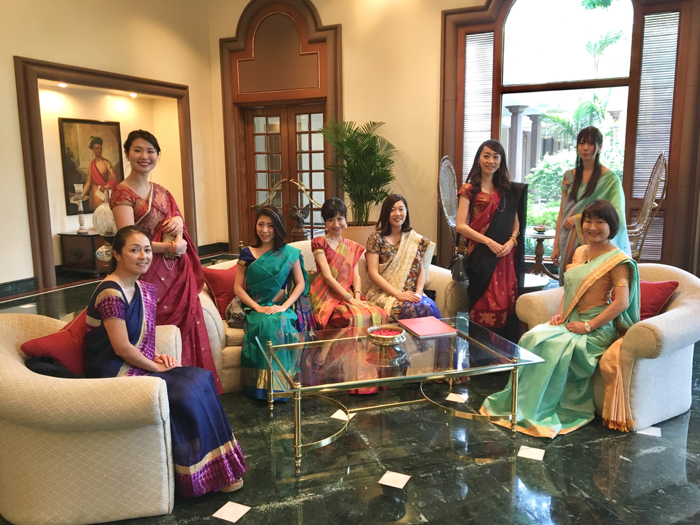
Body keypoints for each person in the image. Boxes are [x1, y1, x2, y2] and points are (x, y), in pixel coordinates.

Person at [84, 226, 247, 496]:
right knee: (184, 392)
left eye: (147, 250)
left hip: (131, 361)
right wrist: (155, 367)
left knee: (201, 379)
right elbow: (122, 347)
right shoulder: (111, 292)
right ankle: (196, 475)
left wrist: (156, 355)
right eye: (134, 250)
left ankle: (219, 466)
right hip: (112, 369)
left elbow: (141, 337)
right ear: (117, 254)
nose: (143, 256)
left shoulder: (138, 287)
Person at [480, 200, 640, 438]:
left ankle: (540, 409)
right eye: (588, 221)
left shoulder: (618, 261)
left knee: (554, 346)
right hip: (571, 320)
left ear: (612, 226)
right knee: (531, 337)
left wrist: (588, 326)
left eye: (600, 222)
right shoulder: (580, 251)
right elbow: (570, 288)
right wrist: (561, 314)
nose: (592, 227)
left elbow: (622, 303)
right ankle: (521, 404)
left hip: (597, 328)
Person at [110, 130, 221, 393]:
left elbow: (177, 223)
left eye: (150, 151)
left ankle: (192, 388)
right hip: (144, 274)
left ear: (157, 155)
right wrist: (170, 247)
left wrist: (179, 221)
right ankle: (160, 390)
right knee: (154, 329)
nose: (144, 156)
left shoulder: (162, 192)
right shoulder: (122, 194)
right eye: (138, 150)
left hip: (175, 275)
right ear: (127, 154)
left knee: (187, 329)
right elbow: (129, 242)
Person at [234, 205, 315, 399]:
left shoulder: (289, 253)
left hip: (281, 307)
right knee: (268, 323)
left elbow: (301, 283)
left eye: (270, 225)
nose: (265, 230)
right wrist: (257, 307)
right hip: (255, 308)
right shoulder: (247, 253)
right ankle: (264, 388)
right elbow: (237, 288)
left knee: (280, 321)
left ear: (278, 227)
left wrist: (284, 306)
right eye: (260, 224)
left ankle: (283, 384)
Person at [456, 139, 526, 341]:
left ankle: (502, 354)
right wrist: (488, 242)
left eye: (496, 157)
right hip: (480, 255)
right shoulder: (469, 189)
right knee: (482, 300)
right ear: (479, 159)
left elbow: (516, 225)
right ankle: (478, 352)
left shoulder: (506, 192)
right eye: (486, 156)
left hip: (503, 256)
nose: (491, 161)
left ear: (501, 161)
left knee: (503, 302)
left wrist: (511, 242)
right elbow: (460, 225)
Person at [551, 126, 631, 284]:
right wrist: (556, 246)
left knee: (592, 284)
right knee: (569, 281)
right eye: (581, 143)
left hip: (594, 237)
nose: (585, 148)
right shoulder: (569, 176)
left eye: (591, 143)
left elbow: (616, 213)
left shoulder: (609, 178)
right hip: (569, 237)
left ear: (600, 147)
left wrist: (580, 218)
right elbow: (562, 212)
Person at [310, 198, 387, 329]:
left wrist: (356, 298)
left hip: (348, 294)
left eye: (340, 218)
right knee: (351, 317)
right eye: (330, 220)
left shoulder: (352, 246)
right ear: (325, 222)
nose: (336, 224)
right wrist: (349, 299)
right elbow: (327, 276)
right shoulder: (319, 243)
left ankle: (371, 343)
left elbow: (356, 277)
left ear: (345, 219)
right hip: (325, 295)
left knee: (379, 313)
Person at [365, 194, 440, 323]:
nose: (397, 214)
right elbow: (373, 274)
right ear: (386, 213)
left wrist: (418, 292)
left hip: (411, 293)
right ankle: (404, 337)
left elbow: (420, 271)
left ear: (406, 212)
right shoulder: (376, 239)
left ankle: (434, 338)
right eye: (392, 210)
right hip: (384, 293)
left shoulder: (414, 239)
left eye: (401, 209)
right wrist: (398, 294)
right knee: (410, 309)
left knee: (429, 306)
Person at [82, 136, 119, 211]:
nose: (99, 150)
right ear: (93, 149)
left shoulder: (106, 163)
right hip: (94, 195)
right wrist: (81, 196)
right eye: (97, 148)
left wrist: (106, 187)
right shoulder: (91, 165)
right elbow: (88, 182)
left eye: (100, 148)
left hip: (104, 193)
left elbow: (114, 178)